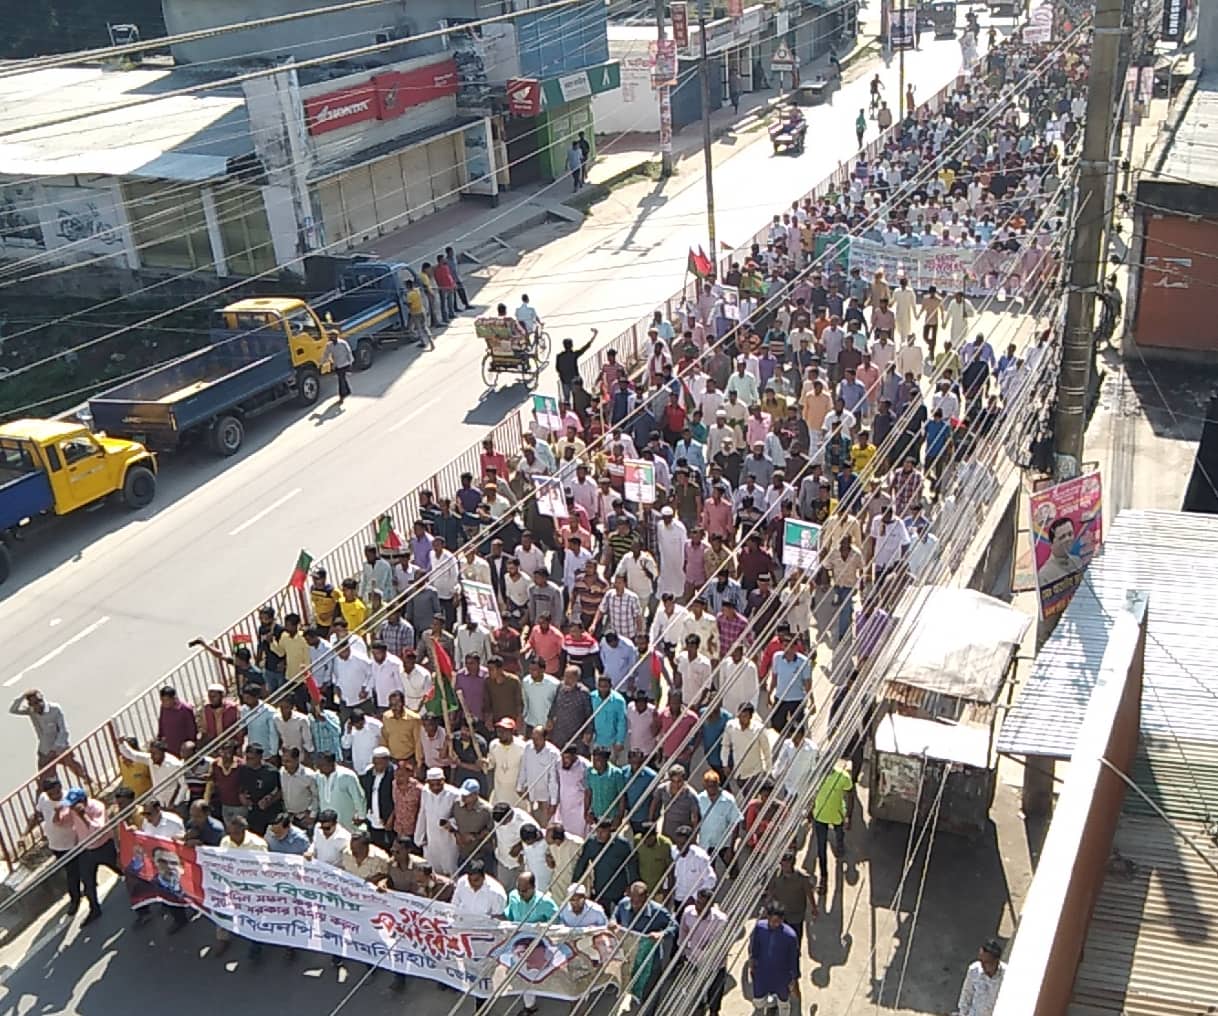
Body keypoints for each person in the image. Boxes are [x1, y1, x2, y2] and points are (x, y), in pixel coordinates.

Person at [10, 690, 87, 781]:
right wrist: (23, 696)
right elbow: (13, 710)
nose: (36, 706)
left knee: (76, 768)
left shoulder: (55, 709)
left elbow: (64, 731)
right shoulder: (31, 711)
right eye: (32, 704)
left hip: (60, 748)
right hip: (45, 750)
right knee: (46, 779)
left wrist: (55, 749)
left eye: (38, 702)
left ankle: (90, 782)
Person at [677, 887, 730, 1016]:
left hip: (715, 963)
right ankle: (699, 1007)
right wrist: (683, 951)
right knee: (695, 989)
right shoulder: (688, 912)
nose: (699, 907)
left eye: (703, 904)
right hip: (693, 959)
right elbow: (683, 932)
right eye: (697, 902)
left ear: (710, 905)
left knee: (715, 990)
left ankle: (713, 1011)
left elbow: (722, 943)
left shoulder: (720, 920)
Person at [748, 902, 801, 1015]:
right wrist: (752, 962)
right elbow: (755, 947)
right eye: (772, 920)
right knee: (758, 1002)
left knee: (783, 1002)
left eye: (777, 921)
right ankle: (772, 1005)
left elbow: (793, 959)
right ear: (767, 917)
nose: (774, 924)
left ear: (782, 920)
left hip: (782, 975)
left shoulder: (790, 936)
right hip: (762, 972)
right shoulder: (760, 927)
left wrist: (794, 978)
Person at [955, 938, 1007, 1016]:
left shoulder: (1007, 975)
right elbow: (966, 997)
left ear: (996, 961)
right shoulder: (974, 970)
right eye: (981, 961)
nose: (982, 965)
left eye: (986, 962)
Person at [1037, 517, 1084, 585]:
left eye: (1070, 534)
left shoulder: (1078, 561)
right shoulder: (1044, 575)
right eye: (1062, 537)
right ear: (1051, 544)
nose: (1068, 539)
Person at [556, 329, 597, 404]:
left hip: (565, 381)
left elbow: (557, 368)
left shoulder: (559, 356)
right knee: (577, 398)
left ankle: (568, 409)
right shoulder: (574, 355)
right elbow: (585, 348)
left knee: (566, 400)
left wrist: (562, 375)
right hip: (574, 381)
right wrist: (594, 336)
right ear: (571, 345)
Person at [325, 332, 354, 406]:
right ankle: (348, 391)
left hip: (345, 364)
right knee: (342, 378)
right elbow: (326, 354)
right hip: (337, 365)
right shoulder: (329, 345)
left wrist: (350, 363)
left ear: (336, 336)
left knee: (341, 380)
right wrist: (323, 363)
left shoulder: (342, 343)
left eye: (332, 336)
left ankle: (342, 396)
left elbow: (349, 352)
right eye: (330, 336)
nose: (331, 338)